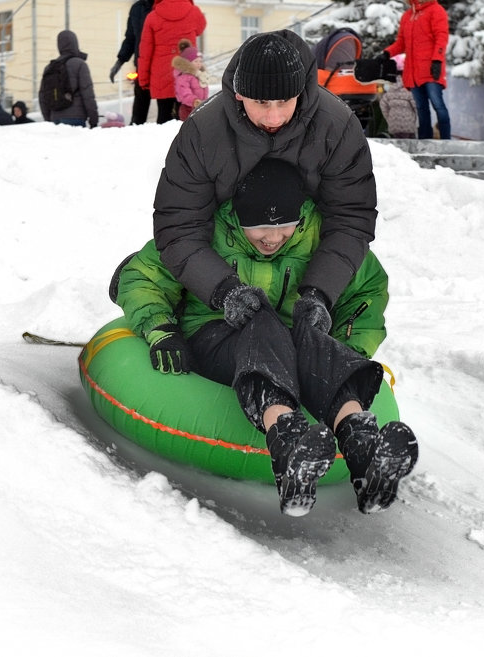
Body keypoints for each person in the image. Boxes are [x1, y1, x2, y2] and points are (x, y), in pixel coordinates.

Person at [113, 159, 418, 516]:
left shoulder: (320, 235)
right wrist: (161, 329)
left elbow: (367, 287)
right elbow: (140, 275)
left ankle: (361, 445)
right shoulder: (204, 233)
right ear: (238, 219)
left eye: (285, 229)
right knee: (261, 319)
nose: (273, 239)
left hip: (290, 344)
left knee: (311, 338)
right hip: (215, 336)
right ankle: (287, 443)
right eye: (259, 230)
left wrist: (339, 344)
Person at [153, 29, 378, 345]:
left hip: (304, 256)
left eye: (285, 101)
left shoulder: (337, 126)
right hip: (229, 254)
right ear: (238, 94)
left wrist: (320, 291)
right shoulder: (204, 132)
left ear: (300, 92)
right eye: (261, 102)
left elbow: (352, 217)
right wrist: (223, 289)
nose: (274, 116)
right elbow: (178, 224)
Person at [382, 0, 451, 139]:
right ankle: (425, 141)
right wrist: (387, 53)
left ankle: (446, 140)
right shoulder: (407, 16)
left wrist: (437, 61)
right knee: (421, 108)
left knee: (438, 104)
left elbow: (441, 37)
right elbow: (401, 42)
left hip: (430, 68)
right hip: (413, 71)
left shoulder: (436, 11)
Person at [137, 0, 206, 124]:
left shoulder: (153, 16)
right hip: (187, 70)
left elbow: (145, 51)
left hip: (161, 74)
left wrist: (143, 79)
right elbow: (200, 29)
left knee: (164, 115)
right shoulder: (194, 12)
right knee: (187, 116)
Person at [109, 0, 165, 125]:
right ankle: (134, 132)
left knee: (165, 111)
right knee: (139, 110)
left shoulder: (165, 5)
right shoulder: (137, 9)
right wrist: (119, 61)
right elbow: (130, 38)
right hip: (142, 65)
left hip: (162, 66)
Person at [39, 30, 99, 128]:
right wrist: (94, 120)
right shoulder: (80, 64)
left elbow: (42, 97)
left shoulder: (50, 67)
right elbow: (88, 94)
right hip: (76, 118)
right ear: (75, 43)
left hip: (55, 119)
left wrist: (48, 118)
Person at [378, 53, 417, 139]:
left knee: (397, 145)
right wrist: (415, 119)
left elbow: (383, 105)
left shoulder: (390, 91)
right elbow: (416, 106)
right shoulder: (409, 91)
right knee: (410, 146)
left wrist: (389, 118)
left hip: (394, 124)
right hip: (409, 124)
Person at [172, 39, 210, 121]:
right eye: (196, 61)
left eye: (200, 61)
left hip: (200, 107)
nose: (199, 63)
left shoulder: (200, 75)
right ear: (188, 63)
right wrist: (194, 101)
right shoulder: (184, 77)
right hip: (188, 109)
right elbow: (184, 93)